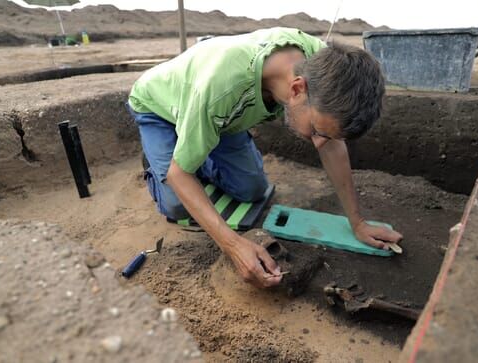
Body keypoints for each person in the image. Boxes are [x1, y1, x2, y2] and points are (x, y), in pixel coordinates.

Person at [127, 27, 403, 289]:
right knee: (177, 203)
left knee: (253, 190)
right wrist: (234, 245)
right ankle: (163, 158)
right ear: (296, 89)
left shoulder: (326, 67)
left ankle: (196, 148)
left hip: (221, 119)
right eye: (317, 131)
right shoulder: (221, 88)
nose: (319, 143)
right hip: (160, 107)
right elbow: (179, 174)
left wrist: (357, 222)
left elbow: (331, 143)